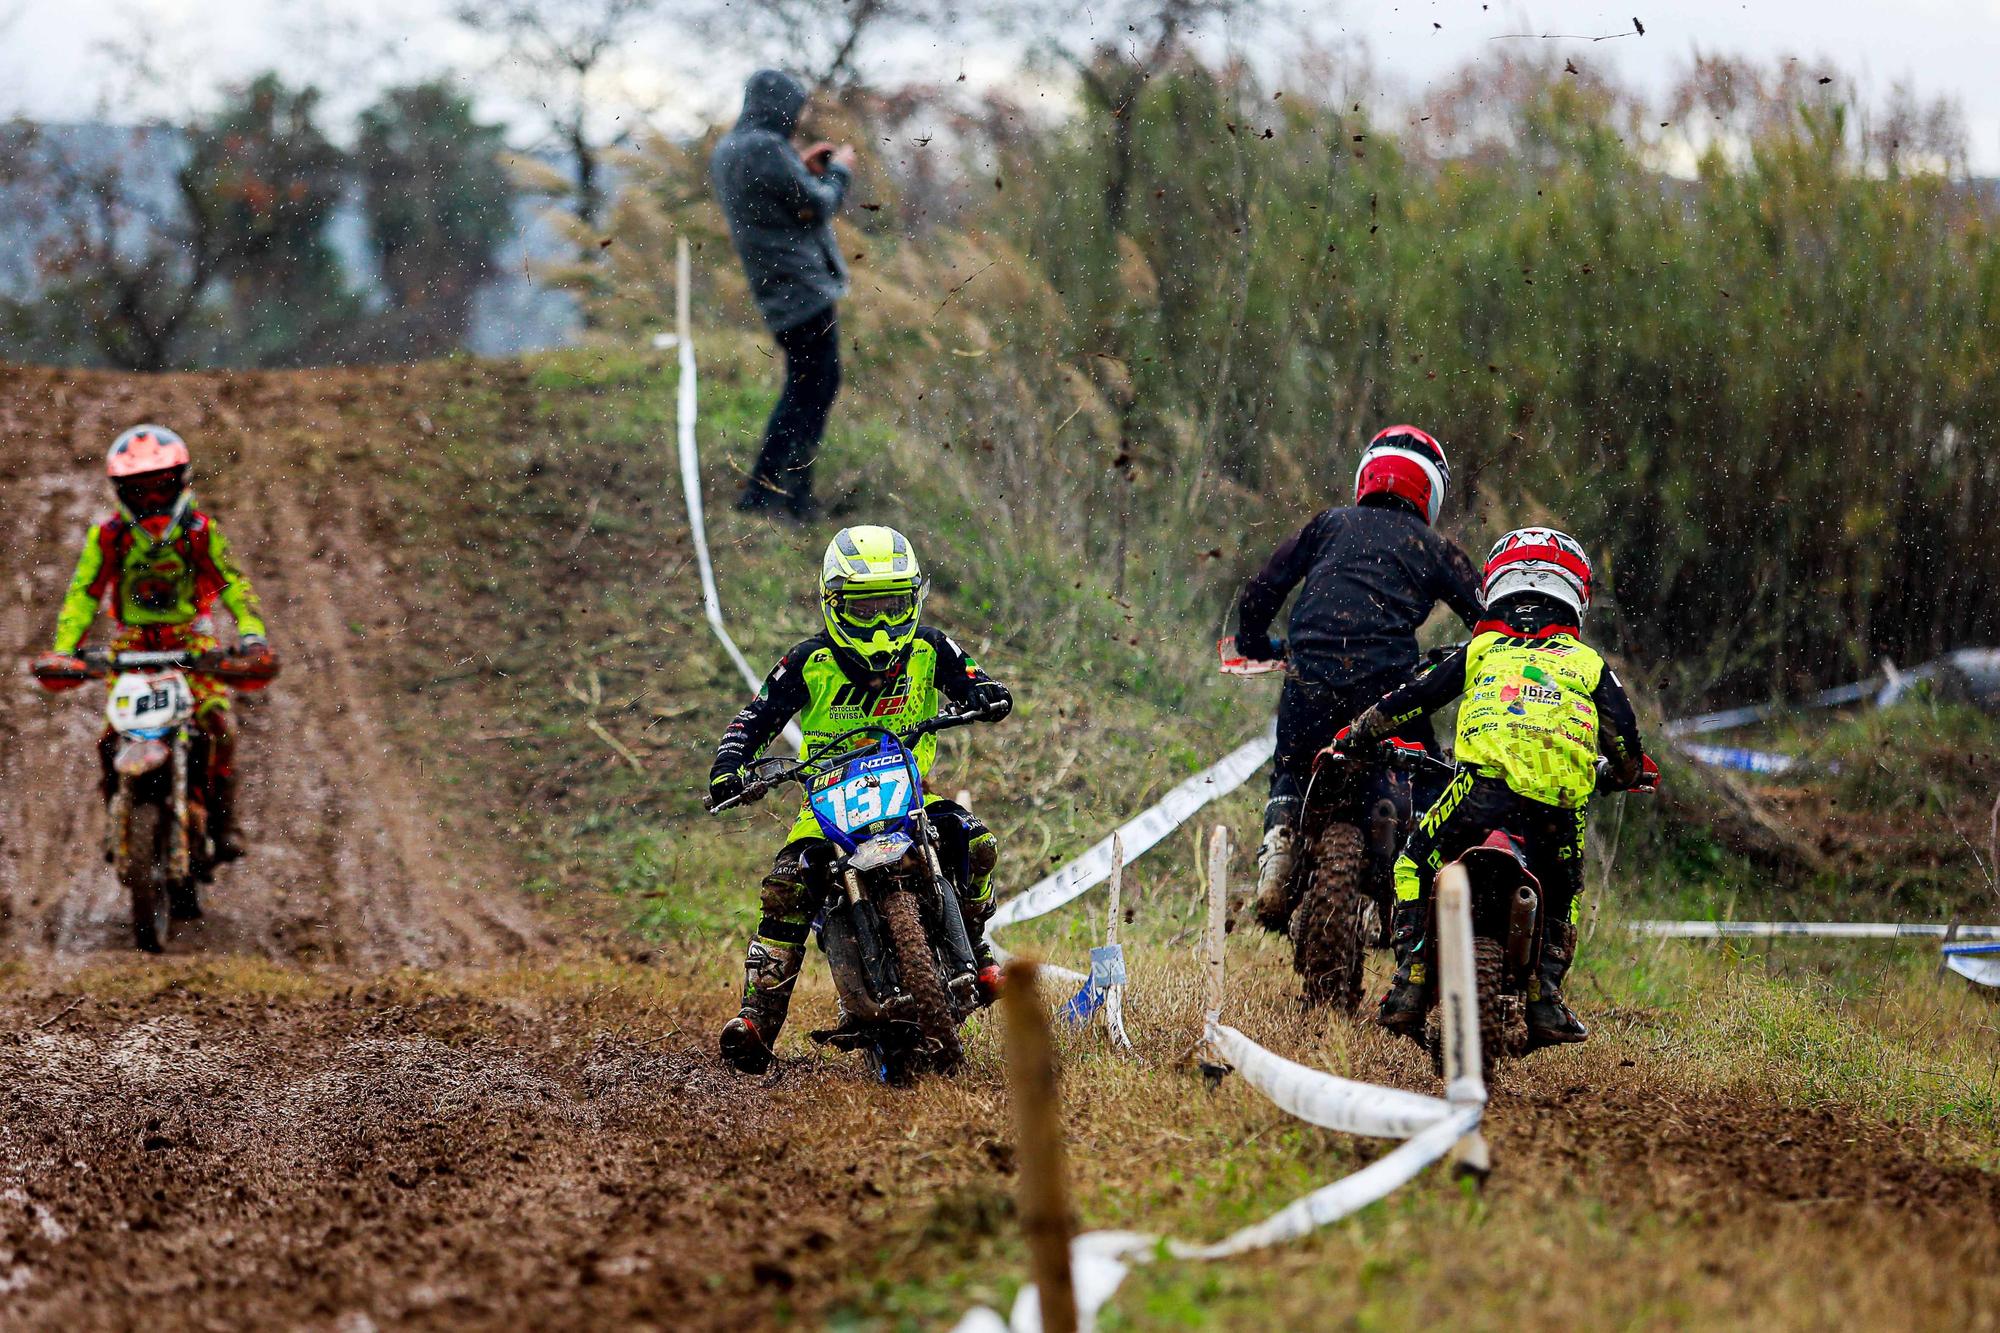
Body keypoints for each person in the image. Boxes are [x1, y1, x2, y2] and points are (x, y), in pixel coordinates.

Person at [707, 525, 1013, 1074]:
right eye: (865, 609)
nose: (880, 626)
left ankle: (979, 952)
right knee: (786, 887)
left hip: (910, 797)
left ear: (914, 599)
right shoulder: (807, 662)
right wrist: (730, 766)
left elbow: (974, 680)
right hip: (826, 805)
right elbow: (753, 719)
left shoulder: (931, 649)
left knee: (978, 842)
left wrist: (987, 696)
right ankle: (756, 1019)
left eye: (893, 606)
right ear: (833, 604)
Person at [1336, 527, 1650, 1046]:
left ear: (1496, 588)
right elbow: (1626, 742)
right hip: (1560, 804)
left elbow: (1413, 698)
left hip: (1480, 793)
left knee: (1413, 860)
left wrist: (1359, 732)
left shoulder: (1482, 650)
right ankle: (1546, 998)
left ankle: (1412, 980)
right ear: (1576, 598)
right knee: (1565, 889)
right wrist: (1623, 775)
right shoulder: (1589, 665)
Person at [1235, 425, 1484, 932]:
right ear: (1430, 491)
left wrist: (1255, 643)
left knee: (1291, 761)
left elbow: (1264, 585)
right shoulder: (1434, 547)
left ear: (1366, 475)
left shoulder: (1328, 524)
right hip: (1387, 689)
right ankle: (1414, 887)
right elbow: (1488, 615)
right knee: (1425, 768)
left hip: (1311, 676)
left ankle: (1280, 845)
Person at [32, 425, 274, 863]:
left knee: (219, 724)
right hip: (133, 646)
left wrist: (251, 635)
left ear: (180, 482)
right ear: (122, 492)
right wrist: (66, 649)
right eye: (139, 492)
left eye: (161, 489)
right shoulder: (110, 536)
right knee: (111, 739)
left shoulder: (199, 531)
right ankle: (118, 819)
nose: (152, 502)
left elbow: (232, 584)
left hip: (191, 640)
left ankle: (224, 821)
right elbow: (83, 594)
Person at [711, 69, 856, 521]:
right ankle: (790, 499)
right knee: (812, 390)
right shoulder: (765, 148)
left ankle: (766, 492)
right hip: (802, 290)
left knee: (802, 388)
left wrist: (804, 169)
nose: (797, 119)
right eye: (795, 109)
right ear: (780, 107)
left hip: (776, 291)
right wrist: (838, 173)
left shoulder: (731, 149)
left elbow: (781, 197)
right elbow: (817, 205)